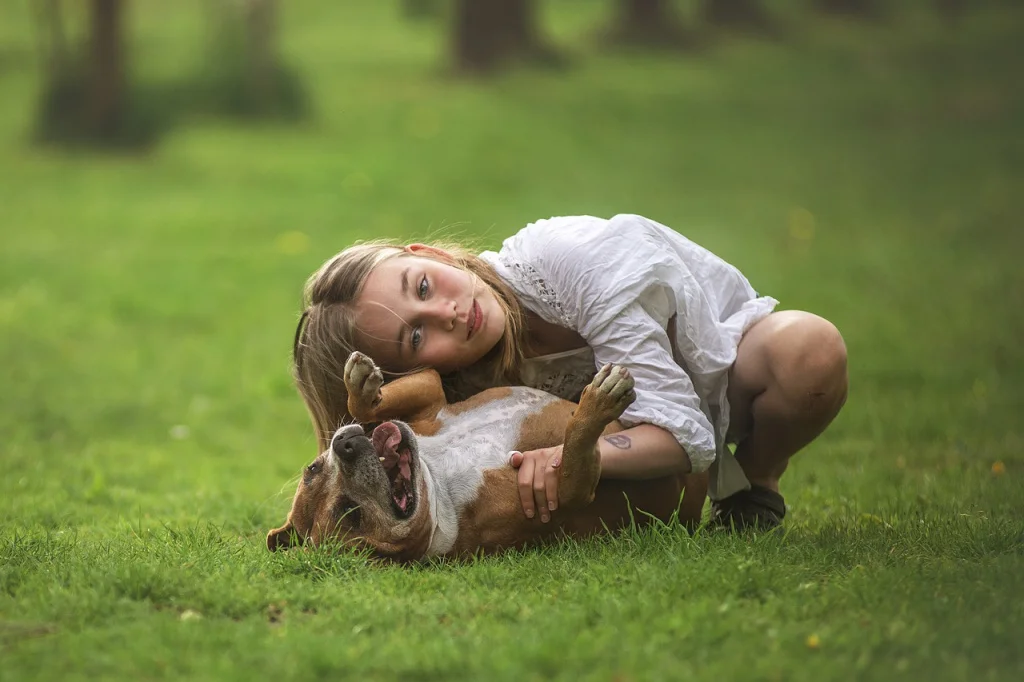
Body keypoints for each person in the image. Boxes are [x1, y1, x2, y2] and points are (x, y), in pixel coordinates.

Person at [292, 214, 848, 530]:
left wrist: (572, 456)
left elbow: (687, 434)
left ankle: (755, 480)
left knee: (809, 352)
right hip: (643, 439)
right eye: (416, 337)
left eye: (423, 286)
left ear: (430, 255)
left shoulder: (572, 263)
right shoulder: (459, 380)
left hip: (726, 376)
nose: (448, 314)